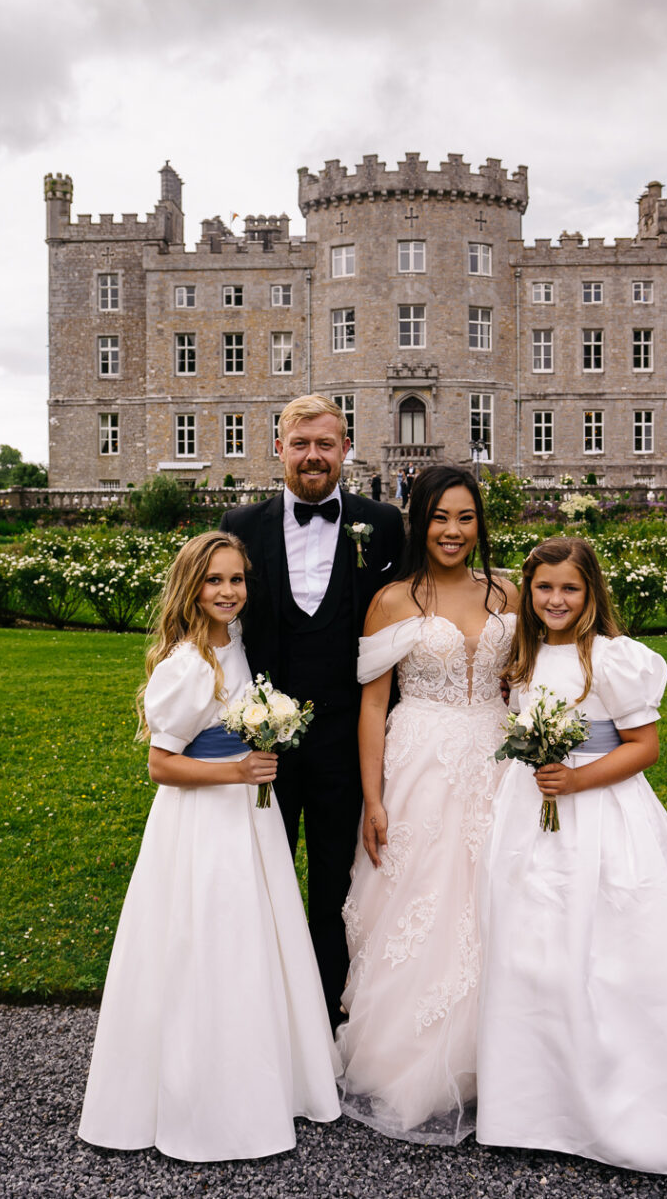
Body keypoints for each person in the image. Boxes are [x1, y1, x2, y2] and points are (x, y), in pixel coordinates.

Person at [476, 536, 667, 1175]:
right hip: (529, 815)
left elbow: (644, 746)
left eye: (569, 589)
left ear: (591, 593)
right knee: (534, 948)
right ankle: (540, 1105)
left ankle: (632, 1104)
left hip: (602, 816)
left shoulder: (610, 658)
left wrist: (576, 779)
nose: (555, 600)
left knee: (608, 951)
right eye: (544, 588)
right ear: (529, 592)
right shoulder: (522, 659)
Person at [78, 530, 339, 1161]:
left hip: (248, 819)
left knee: (251, 943)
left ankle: (262, 1077)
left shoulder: (238, 643)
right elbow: (161, 765)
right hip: (202, 823)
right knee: (206, 943)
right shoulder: (188, 665)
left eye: (237, 580)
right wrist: (238, 771)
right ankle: (203, 1095)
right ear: (191, 587)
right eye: (214, 580)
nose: (228, 592)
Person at [337, 465, 518, 1144]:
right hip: (419, 763)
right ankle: (412, 1062)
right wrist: (373, 798)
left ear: (480, 523)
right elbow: (373, 704)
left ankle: (504, 1060)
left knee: (494, 898)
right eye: (441, 517)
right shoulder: (391, 600)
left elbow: (526, 678)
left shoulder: (508, 590)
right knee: (423, 903)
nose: (453, 531)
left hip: (498, 759)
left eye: (466, 517)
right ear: (419, 520)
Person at [220, 395, 406, 1030]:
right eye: (300, 444)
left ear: (345, 448)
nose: (313, 457)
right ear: (279, 450)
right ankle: (264, 1015)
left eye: (325, 444)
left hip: (346, 737)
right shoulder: (241, 524)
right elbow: (216, 619)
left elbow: (411, 615)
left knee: (338, 885)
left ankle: (330, 1017)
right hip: (264, 745)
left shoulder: (381, 524)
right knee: (260, 878)